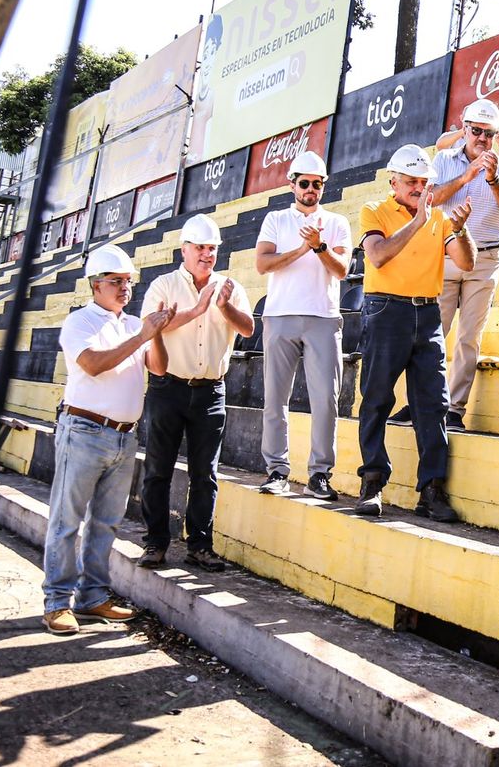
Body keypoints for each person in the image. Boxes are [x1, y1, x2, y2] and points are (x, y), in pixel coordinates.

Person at [43, 245, 173, 636]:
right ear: (95, 285)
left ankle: (92, 597)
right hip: (84, 430)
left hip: (123, 436)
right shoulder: (80, 321)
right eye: (116, 281)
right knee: (66, 521)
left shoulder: (133, 324)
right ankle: (56, 602)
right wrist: (143, 334)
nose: (124, 288)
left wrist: (155, 335)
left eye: (128, 281)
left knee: (106, 523)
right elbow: (94, 364)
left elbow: (159, 368)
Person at [355, 144, 473, 522]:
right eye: (411, 182)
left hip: (428, 313)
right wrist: (419, 221)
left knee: (433, 403)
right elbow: (378, 255)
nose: (419, 188)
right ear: (393, 182)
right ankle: (372, 483)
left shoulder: (438, 218)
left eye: (424, 183)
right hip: (386, 310)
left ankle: (431, 489)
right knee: (377, 398)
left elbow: (466, 262)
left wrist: (460, 230)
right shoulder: (374, 210)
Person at [137, 214, 254, 573]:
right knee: (158, 470)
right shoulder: (164, 285)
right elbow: (150, 327)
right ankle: (155, 542)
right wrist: (198, 309)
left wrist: (224, 307)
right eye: (200, 247)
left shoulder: (229, 287)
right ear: (184, 250)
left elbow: (248, 329)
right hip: (168, 387)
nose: (207, 254)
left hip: (211, 392)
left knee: (206, 474)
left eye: (212, 248)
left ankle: (200, 546)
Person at [254, 151, 352, 499]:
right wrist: (301, 249)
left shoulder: (337, 222)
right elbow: (262, 264)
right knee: (274, 399)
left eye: (317, 184)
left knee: (325, 400)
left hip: (323, 317)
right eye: (305, 183)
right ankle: (277, 471)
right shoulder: (276, 219)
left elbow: (342, 270)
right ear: (292, 184)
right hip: (280, 315)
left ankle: (320, 474)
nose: (311, 189)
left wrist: (319, 246)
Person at [428, 98, 499, 431]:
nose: (482, 138)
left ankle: (454, 410)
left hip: (485, 258)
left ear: (496, 135)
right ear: (465, 129)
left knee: (468, 338)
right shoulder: (443, 159)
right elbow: (429, 198)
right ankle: (425, 402)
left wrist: (493, 179)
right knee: (432, 335)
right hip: (444, 254)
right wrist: (466, 176)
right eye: (477, 131)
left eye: (489, 133)